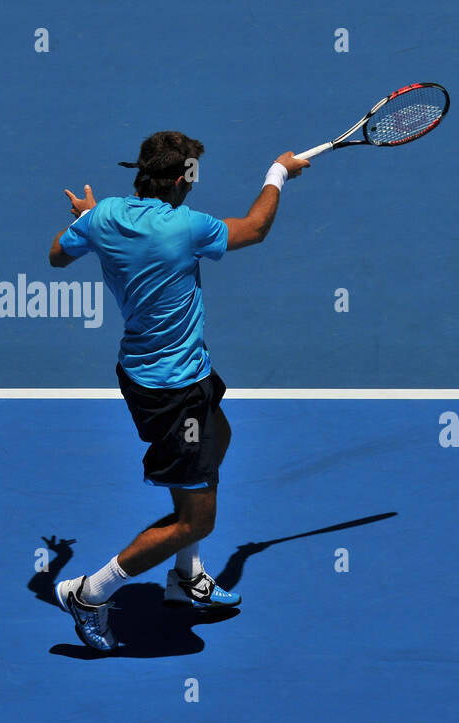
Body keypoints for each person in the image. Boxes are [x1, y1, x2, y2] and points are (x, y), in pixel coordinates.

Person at [47, 130, 309, 651]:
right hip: (173, 390)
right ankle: (89, 594)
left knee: (221, 436)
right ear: (183, 178)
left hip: (166, 373)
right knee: (196, 520)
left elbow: (57, 256)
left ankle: (185, 579)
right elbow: (255, 228)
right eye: (194, 172)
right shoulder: (186, 227)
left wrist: (89, 218)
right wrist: (277, 173)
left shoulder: (104, 217)